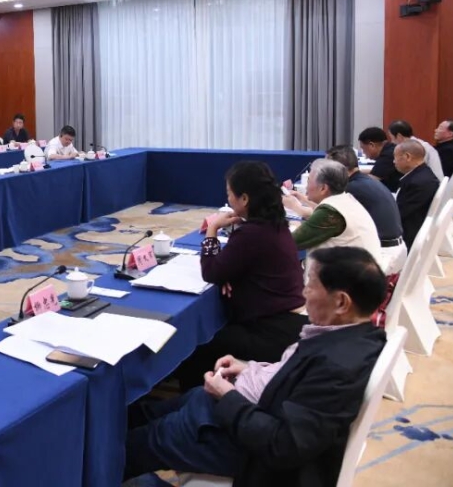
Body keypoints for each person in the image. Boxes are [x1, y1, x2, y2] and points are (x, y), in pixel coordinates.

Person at [124, 246, 387, 487]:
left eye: (310, 284)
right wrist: (248, 368)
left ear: (341, 302)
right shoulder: (352, 335)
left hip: (247, 445)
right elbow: (291, 377)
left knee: (133, 447)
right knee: (146, 413)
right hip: (242, 409)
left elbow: (283, 445)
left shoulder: (337, 367)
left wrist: (227, 396)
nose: (303, 292)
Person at [173, 162, 306, 391]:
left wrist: (212, 229)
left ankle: (198, 401)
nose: (228, 199)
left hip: (273, 332)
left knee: (195, 344)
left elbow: (211, 271)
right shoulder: (275, 224)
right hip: (290, 324)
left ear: (244, 199)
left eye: (229, 194)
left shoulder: (251, 234)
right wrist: (230, 274)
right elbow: (230, 267)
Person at [326, 145, 406, 271]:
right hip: (396, 250)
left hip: (382, 256)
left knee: (324, 255)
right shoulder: (367, 182)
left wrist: (300, 208)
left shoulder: (352, 189)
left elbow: (328, 219)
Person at [283, 159, 381, 261]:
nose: (306, 186)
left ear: (323, 188)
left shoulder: (330, 211)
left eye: (308, 181)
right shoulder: (345, 200)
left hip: (353, 269)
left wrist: (290, 226)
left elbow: (291, 242)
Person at [394, 139, 440, 250]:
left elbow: (399, 213)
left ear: (407, 157)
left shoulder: (418, 183)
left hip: (407, 237)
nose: (394, 162)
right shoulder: (423, 174)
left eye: (395, 157)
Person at [358, 126, 402, 193]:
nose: (363, 152)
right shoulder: (390, 149)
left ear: (372, 145)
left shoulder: (387, 156)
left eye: (363, 149)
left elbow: (371, 180)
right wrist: (355, 171)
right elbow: (377, 171)